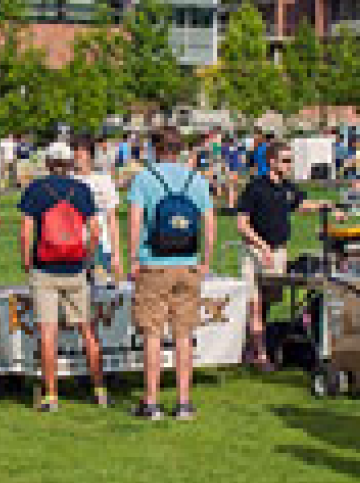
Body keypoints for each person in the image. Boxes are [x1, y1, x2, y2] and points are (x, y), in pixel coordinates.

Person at [123, 130, 215, 421]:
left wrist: (133, 258)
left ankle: (151, 401)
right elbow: (210, 225)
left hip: (155, 263)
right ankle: (184, 401)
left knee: (153, 334)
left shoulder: (145, 179)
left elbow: (135, 223)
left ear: (155, 149)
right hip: (187, 262)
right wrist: (205, 261)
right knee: (183, 335)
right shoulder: (197, 180)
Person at [18, 143, 108, 412]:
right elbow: (94, 230)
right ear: (70, 163)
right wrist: (87, 258)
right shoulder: (81, 190)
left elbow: (25, 232)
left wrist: (26, 261)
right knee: (87, 330)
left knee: (48, 332)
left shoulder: (36, 189)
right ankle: (100, 390)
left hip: (45, 267)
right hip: (74, 267)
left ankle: (52, 396)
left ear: (47, 162)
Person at [237, 141, 330, 368]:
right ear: (272, 162)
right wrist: (262, 247)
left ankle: (250, 349)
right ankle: (260, 356)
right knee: (255, 304)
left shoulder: (287, 188)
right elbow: (242, 224)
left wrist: (325, 206)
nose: (290, 165)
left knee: (267, 303)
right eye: (286, 161)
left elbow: (300, 204)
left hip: (278, 252)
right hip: (255, 252)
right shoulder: (255, 187)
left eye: (291, 160)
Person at [72, 136, 122, 285]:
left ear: (90, 156)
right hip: (74, 246)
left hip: (102, 247)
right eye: (74, 153)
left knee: (101, 294)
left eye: (80, 154)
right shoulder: (68, 181)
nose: (76, 158)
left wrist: (116, 254)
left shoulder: (103, 180)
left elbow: (112, 218)